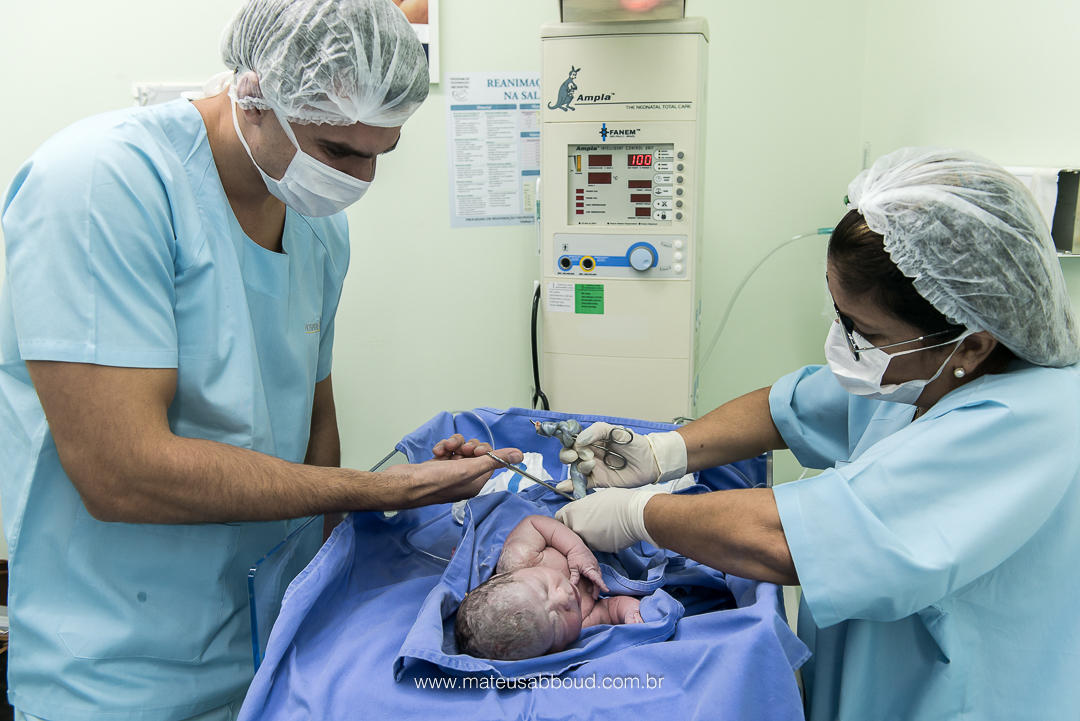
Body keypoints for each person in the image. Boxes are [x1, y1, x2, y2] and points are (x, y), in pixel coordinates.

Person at [0, 1, 517, 719]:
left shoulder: (317, 227)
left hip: (268, 643)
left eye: (380, 153)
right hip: (120, 667)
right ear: (257, 95)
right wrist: (375, 491)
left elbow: (314, 418)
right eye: (338, 150)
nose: (361, 177)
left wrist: (333, 601)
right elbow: (120, 474)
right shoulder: (100, 186)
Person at [450, 148, 1080, 718]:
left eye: (869, 332)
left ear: (970, 342)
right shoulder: (920, 372)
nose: (847, 345)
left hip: (967, 695)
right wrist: (665, 450)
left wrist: (638, 515)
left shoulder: (1031, 425)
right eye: (839, 315)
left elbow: (789, 540)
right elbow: (791, 406)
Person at [455, 514, 642, 661]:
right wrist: (628, 612)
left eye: (545, 588)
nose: (564, 598)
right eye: (557, 623)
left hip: (578, 533)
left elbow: (535, 524)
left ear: (508, 575)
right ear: (556, 648)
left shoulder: (521, 558)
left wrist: (576, 550)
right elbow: (610, 609)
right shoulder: (583, 623)